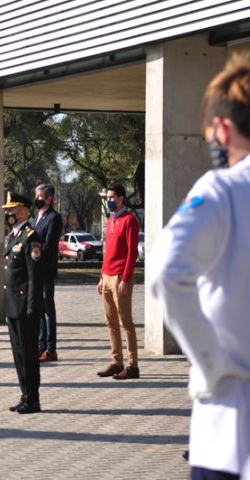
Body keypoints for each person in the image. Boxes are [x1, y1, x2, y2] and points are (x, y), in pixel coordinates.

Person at [149, 55, 250, 480]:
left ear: (223, 129)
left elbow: (166, 272)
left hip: (231, 429)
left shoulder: (224, 189)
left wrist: (212, 362)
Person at [2, 192, 45, 414]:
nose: (7, 213)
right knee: (18, 353)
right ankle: (24, 394)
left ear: (23, 211)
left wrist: (32, 307)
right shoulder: (13, 236)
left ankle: (33, 399)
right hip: (12, 304)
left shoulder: (30, 237)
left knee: (28, 354)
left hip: (25, 306)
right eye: (7, 210)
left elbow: (34, 277)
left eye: (11, 209)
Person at [96, 184, 141, 380]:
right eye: (108, 197)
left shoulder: (130, 220)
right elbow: (107, 252)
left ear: (122, 198)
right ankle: (117, 362)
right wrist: (101, 276)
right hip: (107, 276)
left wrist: (125, 277)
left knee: (125, 322)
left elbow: (133, 252)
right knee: (110, 322)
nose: (109, 200)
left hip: (120, 278)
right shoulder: (110, 220)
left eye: (112, 197)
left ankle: (132, 365)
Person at [32, 184, 62, 362]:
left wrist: (34, 253)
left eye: (41, 195)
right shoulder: (37, 217)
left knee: (48, 309)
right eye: (36, 195)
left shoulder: (54, 217)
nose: (37, 198)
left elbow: (48, 245)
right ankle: (40, 345)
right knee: (40, 310)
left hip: (45, 269)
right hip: (35, 270)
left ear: (49, 198)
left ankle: (51, 348)